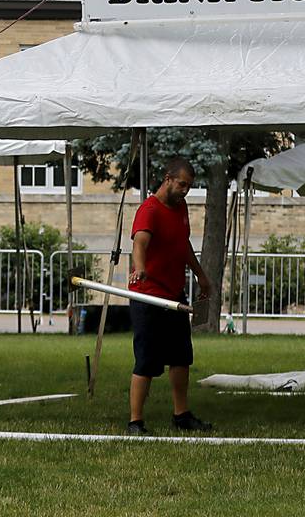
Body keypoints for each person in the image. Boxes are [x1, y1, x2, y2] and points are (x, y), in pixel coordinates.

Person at [125, 156, 213, 434]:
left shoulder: (181, 207)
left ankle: (181, 415)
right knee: (147, 360)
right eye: (182, 185)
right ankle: (135, 421)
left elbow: (182, 243)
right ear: (168, 179)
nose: (185, 191)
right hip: (148, 297)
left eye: (189, 186)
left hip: (174, 295)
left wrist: (200, 274)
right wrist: (140, 269)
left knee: (181, 356)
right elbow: (140, 242)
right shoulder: (149, 210)